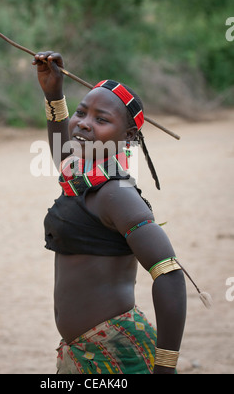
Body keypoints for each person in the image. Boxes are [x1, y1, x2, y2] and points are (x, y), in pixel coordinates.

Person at [33, 51, 187, 375]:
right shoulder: (83, 176)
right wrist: (53, 93)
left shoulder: (118, 196)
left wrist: (166, 366)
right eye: (81, 113)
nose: (85, 124)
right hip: (84, 352)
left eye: (101, 120)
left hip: (117, 353)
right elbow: (63, 148)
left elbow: (169, 274)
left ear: (129, 136)